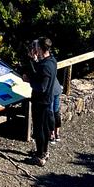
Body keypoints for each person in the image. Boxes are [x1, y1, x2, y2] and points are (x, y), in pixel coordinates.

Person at [26, 37, 59, 166]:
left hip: (41, 102)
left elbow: (41, 87)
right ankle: (44, 151)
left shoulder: (45, 66)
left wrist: (29, 81)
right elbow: (39, 71)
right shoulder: (52, 61)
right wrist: (33, 60)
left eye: (37, 48)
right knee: (44, 128)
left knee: (39, 129)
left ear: (40, 48)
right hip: (47, 100)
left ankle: (40, 156)